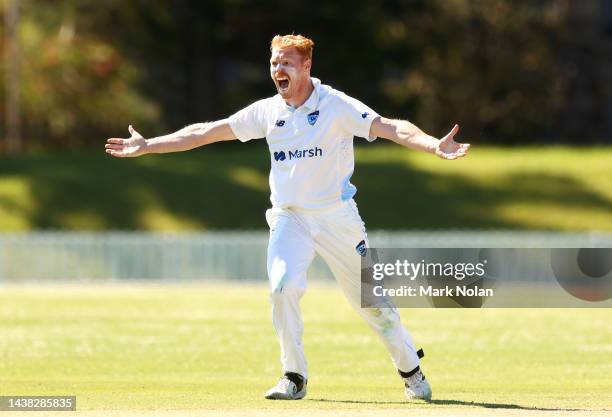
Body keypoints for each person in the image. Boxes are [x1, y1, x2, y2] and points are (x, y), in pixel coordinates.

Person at [105, 34, 470, 401]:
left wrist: (431, 144)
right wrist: (149, 145)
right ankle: (293, 376)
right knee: (282, 288)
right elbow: (205, 132)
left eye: (287, 64)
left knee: (374, 305)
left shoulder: (336, 105)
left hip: (337, 219)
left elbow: (390, 126)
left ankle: (412, 372)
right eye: (274, 64)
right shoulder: (267, 111)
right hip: (288, 218)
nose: (278, 70)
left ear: (307, 66)